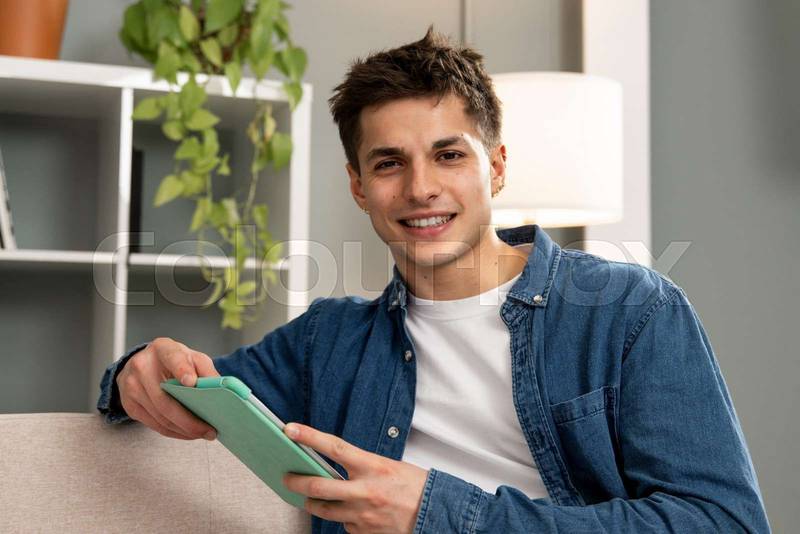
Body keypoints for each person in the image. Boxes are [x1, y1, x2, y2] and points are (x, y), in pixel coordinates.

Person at [97, 28, 771, 534]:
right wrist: (137, 372)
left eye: (449, 155)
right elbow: (196, 393)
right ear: (359, 187)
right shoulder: (327, 339)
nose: (421, 189)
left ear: (497, 168)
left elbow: (724, 522)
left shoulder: (630, 311)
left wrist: (437, 510)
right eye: (389, 163)